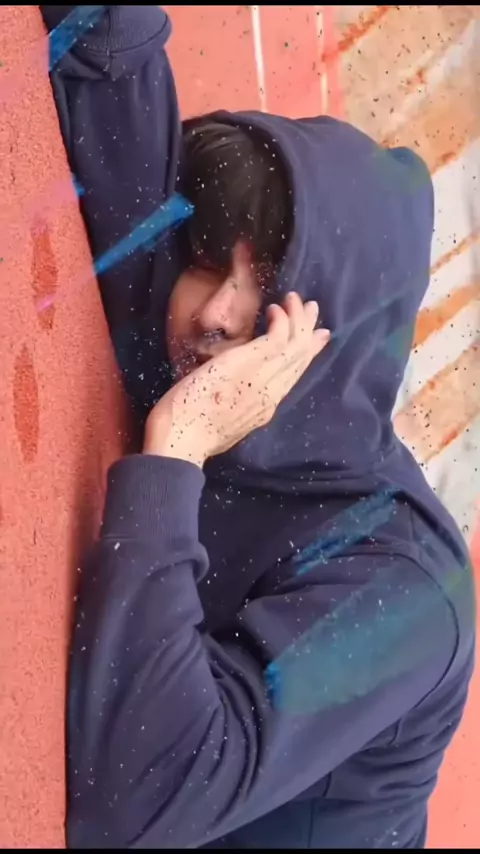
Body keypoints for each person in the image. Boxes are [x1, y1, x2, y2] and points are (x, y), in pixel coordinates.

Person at [41, 6, 475, 850]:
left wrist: (175, 452)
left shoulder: (405, 588)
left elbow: (133, 798)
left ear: (334, 334)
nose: (215, 312)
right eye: (210, 260)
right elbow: (109, 52)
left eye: (268, 289)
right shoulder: (195, 328)